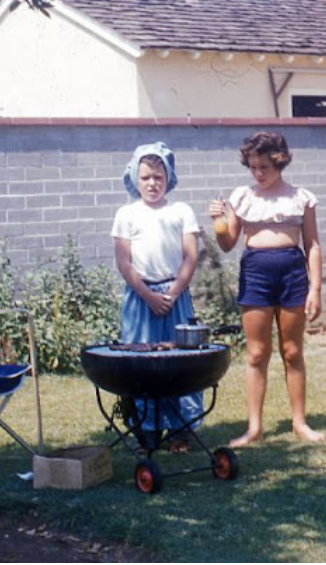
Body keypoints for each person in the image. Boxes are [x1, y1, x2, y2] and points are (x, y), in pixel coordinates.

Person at [210, 131, 324, 447]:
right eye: (253, 167)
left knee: (292, 351)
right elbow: (228, 243)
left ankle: (299, 423)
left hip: (292, 273)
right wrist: (219, 222)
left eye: (265, 167)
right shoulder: (241, 198)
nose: (258, 173)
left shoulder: (301, 198)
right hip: (256, 273)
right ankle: (254, 428)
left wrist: (315, 289)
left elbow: (312, 245)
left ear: (280, 162)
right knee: (258, 352)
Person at [111, 141, 202, 453]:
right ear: (135, 179)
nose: (152, 184)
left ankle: (180, 432)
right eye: (146, 177)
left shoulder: (181, 211)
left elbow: (191, 256)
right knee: (142, 364)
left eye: (158, 177)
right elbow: (124, 261)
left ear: (169, 177)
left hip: (175, 297)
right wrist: (148, 295)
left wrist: (173, 292)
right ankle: (146, 432)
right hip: (141, 299)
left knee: (180, 363)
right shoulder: (126, 214)